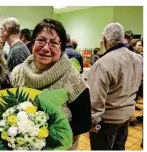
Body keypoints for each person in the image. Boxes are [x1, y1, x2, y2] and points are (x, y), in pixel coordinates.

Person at [11, 18, 91, 150]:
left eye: (54, 43)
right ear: (32, 43)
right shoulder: (17, 73)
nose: (46, 48)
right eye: (41, 40)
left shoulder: (73, 78)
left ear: (62, 49)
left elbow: (84, 122)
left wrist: (45, 138)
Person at [88, 23, 143, 150]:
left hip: (107, 121)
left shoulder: (102, 63)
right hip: (126, 116)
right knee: (119, 147)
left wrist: (93, 121)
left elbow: (95, 97)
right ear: (122, 37)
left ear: (105, 39)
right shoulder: (138, 59)